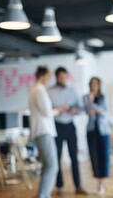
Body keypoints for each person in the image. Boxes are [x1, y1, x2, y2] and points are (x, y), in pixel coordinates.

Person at [48, 67, 86, 195]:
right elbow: (47, 110)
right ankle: (59, 186)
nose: (62, 79)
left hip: (70, 125)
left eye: (64, 77)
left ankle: (78, 185)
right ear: (56, 77)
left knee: (74, 157)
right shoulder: (49, 91)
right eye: (60, 77)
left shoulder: (72, 91)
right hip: (56, 126)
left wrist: (73, 110)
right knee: (57, 157)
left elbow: (80, 108)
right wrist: (57, 109)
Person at [29, 66, 63, 198]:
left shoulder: (34, 89)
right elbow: (47, 112)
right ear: (43, 76)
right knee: (52, 166)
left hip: (40, 131)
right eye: (49, 77)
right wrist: (59, 110)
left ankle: (43, 194)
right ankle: (43, 195)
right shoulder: (39, 90)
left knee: (47, 166)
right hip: (44, 131)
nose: (50, 80)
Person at [83, 77, 110, 195]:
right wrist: (93, 105)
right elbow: (89, 112)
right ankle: (98, 182)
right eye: (92, 84)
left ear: (99, 85)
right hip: (91, 130)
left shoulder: (103, 97)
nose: (94, 86)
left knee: (103, 155)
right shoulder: (86, 97)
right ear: (90, 85)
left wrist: (95, 109)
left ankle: (102, 183)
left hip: (103, 130)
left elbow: (105, 112)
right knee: (94, 156)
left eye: (96, 84)